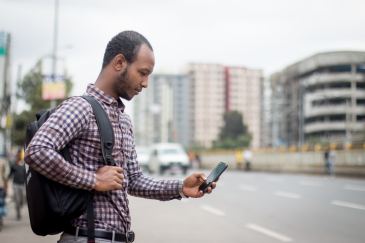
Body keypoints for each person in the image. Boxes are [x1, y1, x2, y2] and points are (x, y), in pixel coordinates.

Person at [25, 31, 217, 243]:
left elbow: (133, 181)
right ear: (119, 62)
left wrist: (181, 187)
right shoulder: (80, 108)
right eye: (142, 73)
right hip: (87, 236)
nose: (145, 83)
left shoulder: (123, 120)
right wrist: (94, 180)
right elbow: (37, 151)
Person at [8, 149, 26, 220]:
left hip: (23, 184)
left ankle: (21, 204)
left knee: (23, 198)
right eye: (17, 154)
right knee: (17, 200)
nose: (18, 155)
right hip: (15, 184)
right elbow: (10, 173)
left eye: (19, 154)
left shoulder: (24, 164)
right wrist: (7, 179)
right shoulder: (14, 164)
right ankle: (18, 214)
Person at [0, 155, 9, 231]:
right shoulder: (2, 161)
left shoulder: (2, 162)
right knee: (1, 203)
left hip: (1, 186)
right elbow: (5, 176)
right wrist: (6, 187)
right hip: (1, 185)